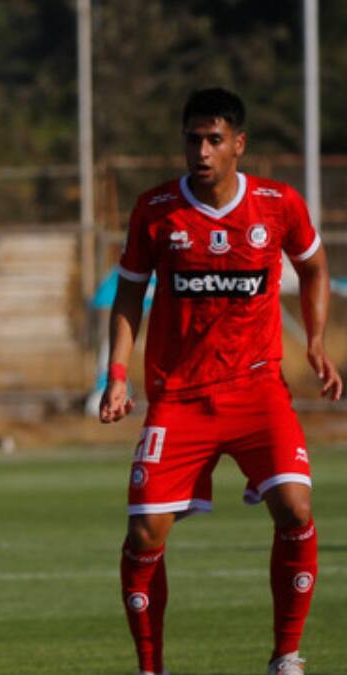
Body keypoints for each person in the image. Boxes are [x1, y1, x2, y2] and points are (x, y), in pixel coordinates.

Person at [99, 88, 342, 675]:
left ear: (239, 144)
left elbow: (313, 266)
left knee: (296, 507)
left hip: (257, 391)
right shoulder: (156, 209)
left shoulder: (277, 204)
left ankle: (286, 657)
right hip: (179, 397)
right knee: (144, 534)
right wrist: (116, 375)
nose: (202, 151)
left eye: (214, 139)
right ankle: (151, 668)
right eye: (193, 139)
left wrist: (314, 341)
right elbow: (129, 292)